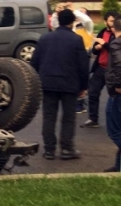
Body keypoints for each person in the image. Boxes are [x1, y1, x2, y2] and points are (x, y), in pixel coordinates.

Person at [31, 9, 90, 160]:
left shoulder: (45, 38)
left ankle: (49, 150)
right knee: (68, 117)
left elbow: (34, 62)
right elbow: (83, 66)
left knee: (49, 117)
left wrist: (36, 80)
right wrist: (84, 86)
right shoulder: (76, 40)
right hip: (69, 84)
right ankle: (66, 148)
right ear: (72, 22)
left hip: (48, 83)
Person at [82, 12, 118, 128]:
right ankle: (93, 119)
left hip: (112, 71)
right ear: (105, 22)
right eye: (111, 21)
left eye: (115, 21)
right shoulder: (103, 32)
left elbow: (116, 50)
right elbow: (94, 51)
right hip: (100, 68)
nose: (113, 24)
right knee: (93, 92)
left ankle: (116, 123)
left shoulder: (117, 34)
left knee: (114, 97)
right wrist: (97, 48)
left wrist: (105, 44)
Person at [103, 18, 121, 171]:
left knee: (114, 130)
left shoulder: (116, 43)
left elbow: (119, 64)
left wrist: (119, 85)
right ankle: (118, 165)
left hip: (118, 92)